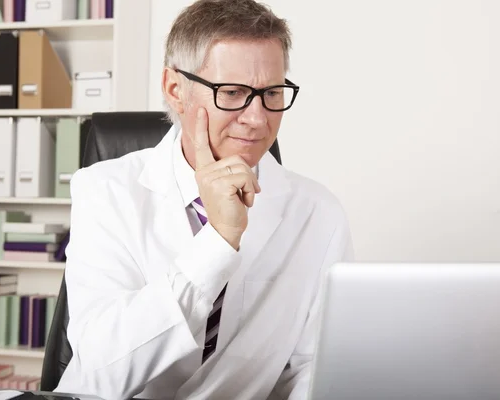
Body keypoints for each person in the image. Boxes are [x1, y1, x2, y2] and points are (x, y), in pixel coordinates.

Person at [54, 0, 353, 399]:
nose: (257, 118)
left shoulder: (319, 213)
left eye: (273, 93)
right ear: (176, 89)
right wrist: (218, 242)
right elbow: (105, 374)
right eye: (232, 92)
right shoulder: (104, 190)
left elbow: (312, 371)